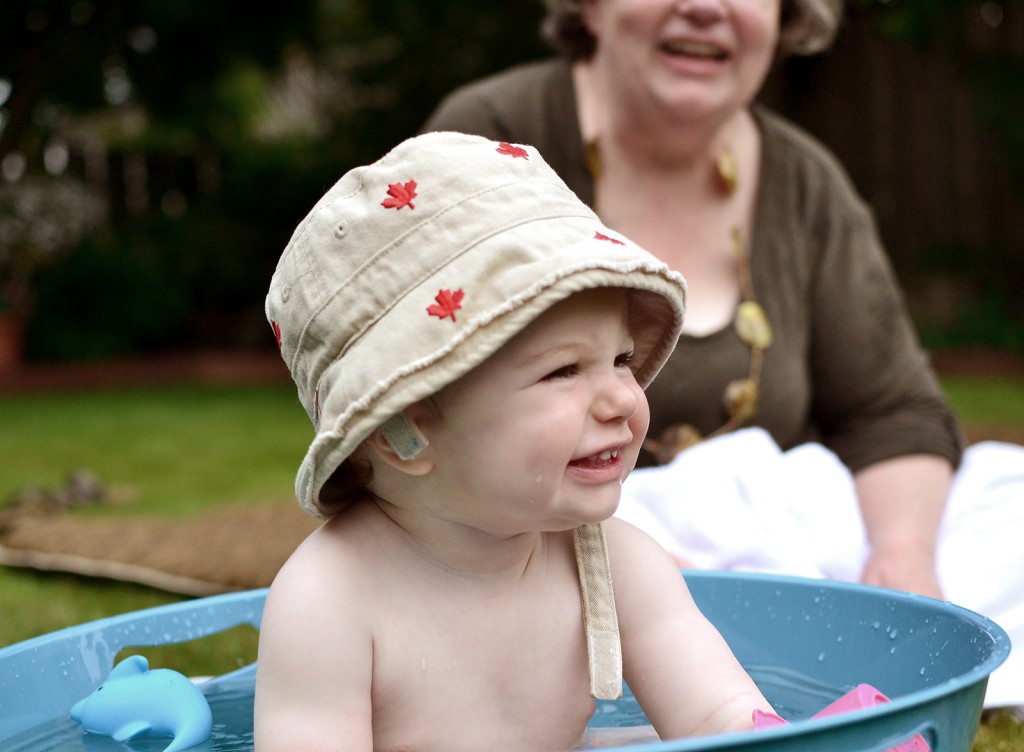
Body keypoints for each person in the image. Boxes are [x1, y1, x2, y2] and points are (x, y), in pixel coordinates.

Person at [421, 0, 1024, 710]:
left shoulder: (805, 184)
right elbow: (427, 397)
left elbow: (891, 411)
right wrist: (630, 565)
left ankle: (869, 642)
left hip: (783, 553)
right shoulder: (492, 144)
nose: (705, 7)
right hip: (559, 539)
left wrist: (903, 560)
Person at [254, 131, 773, 751]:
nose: (622, 398)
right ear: (405, 434)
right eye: (563, 371)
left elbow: (719, 718)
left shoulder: (615, 565)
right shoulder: (329, 602)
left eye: (622, 358)